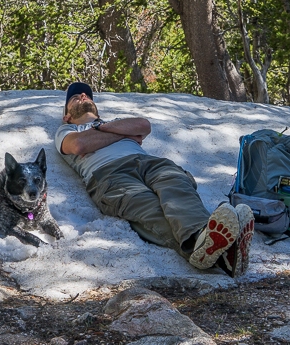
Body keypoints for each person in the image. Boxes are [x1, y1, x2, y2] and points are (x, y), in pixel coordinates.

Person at [55, 82, 254, 276]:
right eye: (75, 97)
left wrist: (100, 131)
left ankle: (207, 240)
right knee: (149, 208)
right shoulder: (66, 131)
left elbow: (143, 125)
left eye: (86, 95)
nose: (83, 96)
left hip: (149, 163)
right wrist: (125, 134)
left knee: (176, 186)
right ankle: (211, 248)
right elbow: (80, 145)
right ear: (67, 115)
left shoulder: (111, 122)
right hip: (109, 174)